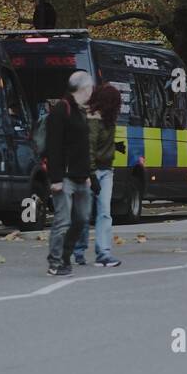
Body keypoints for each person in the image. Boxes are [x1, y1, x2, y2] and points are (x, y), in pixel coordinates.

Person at [46, 71, 94, 277]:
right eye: (90, 87)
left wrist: (88, 174)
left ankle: (65, 255)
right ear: (83, 89)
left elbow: (82, 146)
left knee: (82, 218)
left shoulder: (79, 111)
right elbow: (53, 146)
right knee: (62, 220)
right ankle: (56, 261)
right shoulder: (61, 110)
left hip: (81, 176)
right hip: (64, 177)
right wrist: (55, 178)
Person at [71, 83, 123, 268]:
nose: (119, 107)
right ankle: (78, 249)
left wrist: (115, 148)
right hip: (91, 172)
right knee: (85, 214)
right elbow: (89, 150)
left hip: (106, 170)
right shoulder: (93, 120)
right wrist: (90, 175)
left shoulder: (109, 119)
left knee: (104, 213)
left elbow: (100, 146)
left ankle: (103, 253)